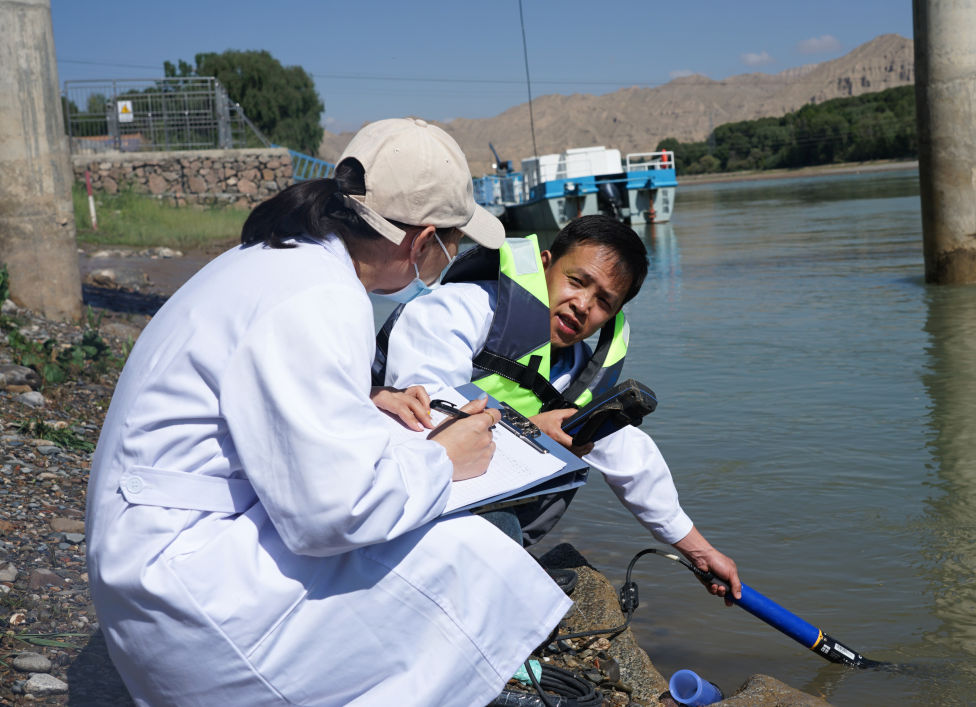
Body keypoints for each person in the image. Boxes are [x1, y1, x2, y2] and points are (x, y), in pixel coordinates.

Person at [85, 118, 572, 706]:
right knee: (473, 554)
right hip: (183, 600)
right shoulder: (321, 297)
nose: (451, 257)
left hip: (146, 556)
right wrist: (445, 459)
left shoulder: (282, 258)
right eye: (453, 243)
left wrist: (366, 405)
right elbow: (330, 515)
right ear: (421, 243)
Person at [375, 215, 743, 599]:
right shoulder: (460, 308)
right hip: (399, 494)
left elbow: (634, 461)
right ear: (545, 265)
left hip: (470, 514)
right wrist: (530, 431)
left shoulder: (576, 373)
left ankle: (503, 570)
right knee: (499, 526)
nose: (583, 305)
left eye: (604, 302)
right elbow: (422, 418)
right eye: (577, 281)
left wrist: (701, 553)